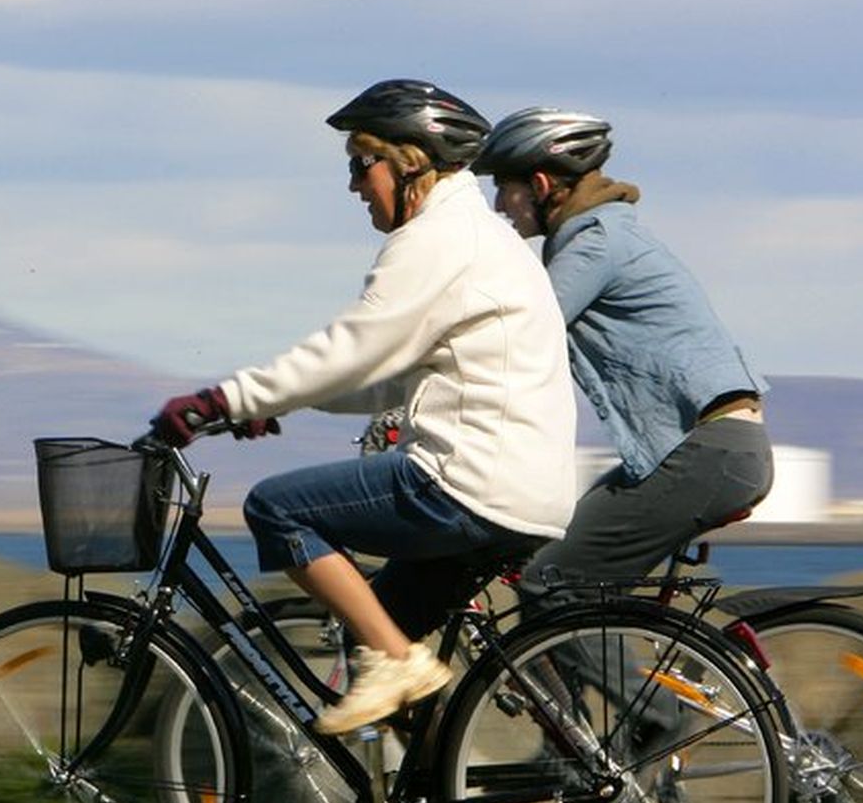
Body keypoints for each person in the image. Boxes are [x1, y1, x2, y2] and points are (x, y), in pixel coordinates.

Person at [153, 79, 577, 735]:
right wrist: (278, 407)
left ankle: (401, 663)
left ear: (410, 162)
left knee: (277, 508)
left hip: (467, 482)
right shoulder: (478, 238)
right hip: (524, 491)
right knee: (376, 624)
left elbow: (351, 347)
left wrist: (222, 398)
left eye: (361, 164)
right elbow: (387, 378)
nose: (354, 185)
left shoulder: (438, 239)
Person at [471, 108, 773, 605]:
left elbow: (516, 337)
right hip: (705, 448)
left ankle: (631, 688)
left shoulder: (594, 245)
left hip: (706, 453)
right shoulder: (599, 236)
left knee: (551, 587)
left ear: (542, 184)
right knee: (557, 555)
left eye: (504, 186)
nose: (499, 203)